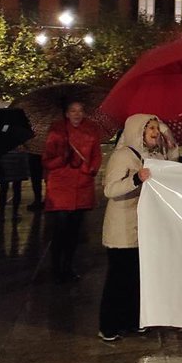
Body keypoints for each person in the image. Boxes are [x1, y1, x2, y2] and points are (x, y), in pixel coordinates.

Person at [99, 113, 176, 342]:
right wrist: (135, 179)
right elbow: (110, 189)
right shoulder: (123, 155)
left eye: (156, 128)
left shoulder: (154, 156)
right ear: (137, 131)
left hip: (143, 227)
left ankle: (133, 320)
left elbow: (172, 165)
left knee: (137, 277)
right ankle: (109, 325)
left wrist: (169, 140)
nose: (155, 132)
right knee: (119, 277)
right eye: (150, 128)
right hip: (122, 229)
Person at [42, 101, 103, 283]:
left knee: (75, 231)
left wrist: (90, 170)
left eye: (80, 110)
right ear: (67, 113)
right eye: (73, 111)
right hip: (61, 186)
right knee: (60, 229)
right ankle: (56, 267)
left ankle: (68, 265)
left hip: (82, 185)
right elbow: (47, 160)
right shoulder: (57, 131)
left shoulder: (91, 130)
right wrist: (62, 158)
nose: (77, 114)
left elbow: (96, 155)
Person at [0, 148, 29, 222]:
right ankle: (15, 213)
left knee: (3, 188)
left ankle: (2, 213)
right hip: (17, 157)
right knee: (17, 188)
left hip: (4, 157)